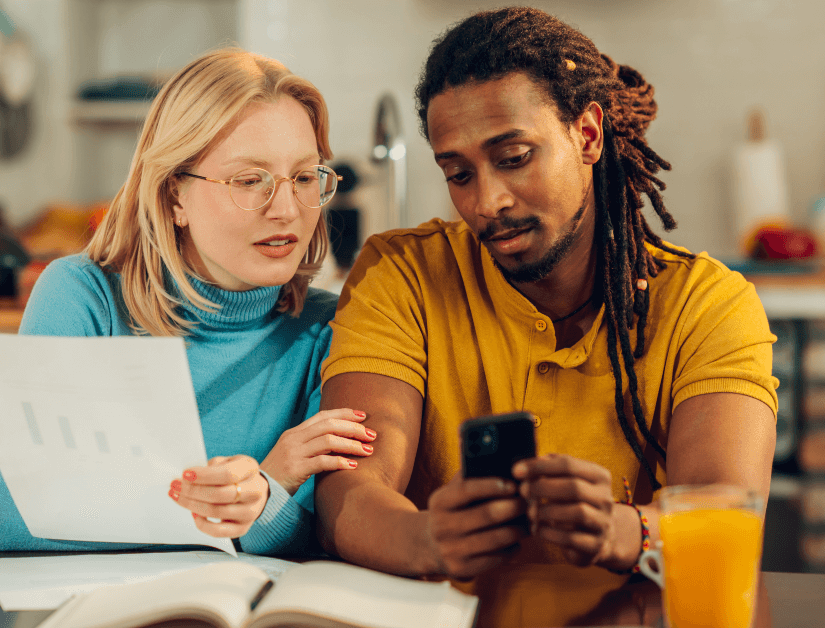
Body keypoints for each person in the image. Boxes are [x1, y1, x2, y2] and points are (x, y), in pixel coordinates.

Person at [315, 6, 779, 582]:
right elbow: (350, 488)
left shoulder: (706, 305)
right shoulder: (403, 275)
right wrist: (424, 539)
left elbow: (728, 513)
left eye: (514, 159)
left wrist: (622, 529)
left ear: (586, 134)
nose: (488, 202)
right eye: (458, 174)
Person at [0, 48, 375, 554]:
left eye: (303, 177)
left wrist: (259, 503)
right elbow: (10, 517)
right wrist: (259, 491)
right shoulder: (82, 297)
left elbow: (323, 540)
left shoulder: (329, 329)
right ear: (172, 196)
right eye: (249, 180)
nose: (287, 209)